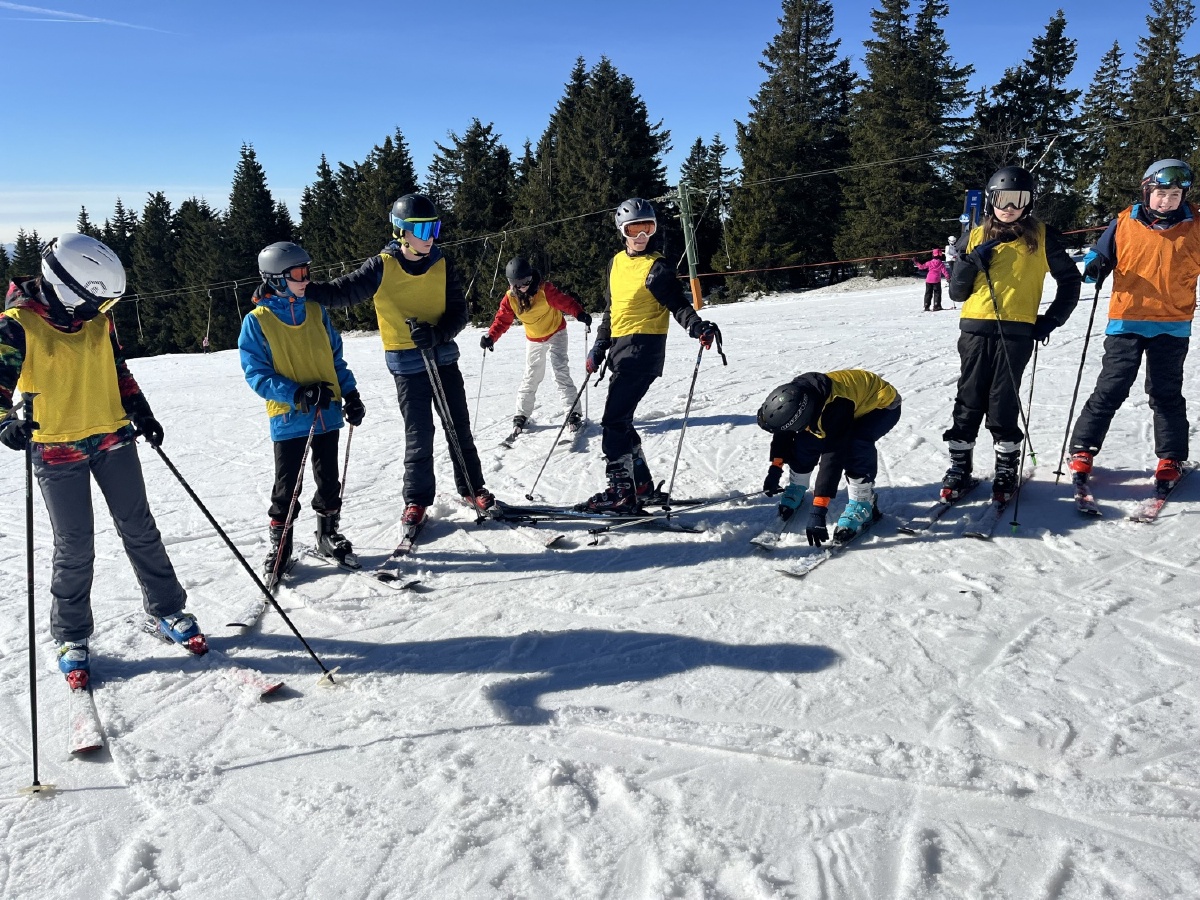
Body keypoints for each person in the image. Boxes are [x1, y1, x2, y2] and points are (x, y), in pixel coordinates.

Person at [0, 233, 206, 689]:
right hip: (57, 449)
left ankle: (167, 610)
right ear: (68, 287)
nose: (101, 309)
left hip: (113, 436)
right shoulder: (16, 325)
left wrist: (142, 411)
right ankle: (71, 635)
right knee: (74, 546)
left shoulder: (97, 320)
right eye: (97, 300)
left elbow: (118, 369)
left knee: (140, 528)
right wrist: (5, 422)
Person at [304, 193, 492, 529]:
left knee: (458, 427)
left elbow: (459, 312)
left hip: (442, 357)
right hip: (407, 365)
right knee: (419, 434)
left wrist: (437, 334)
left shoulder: (442, 263)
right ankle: (416, 499)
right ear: (401, 232)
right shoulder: (382, 266)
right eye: (422, 229)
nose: (430, 237)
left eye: (434, 228)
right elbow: (342, 292)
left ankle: (473, 488)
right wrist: (301, 287)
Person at [944, 166, 1081, 502]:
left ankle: (1006, 466)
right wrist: (969, 263)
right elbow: (956, 293)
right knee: (969, 397)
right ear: (991, 200)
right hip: (975, 328)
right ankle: (959, 466)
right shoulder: (974, 235)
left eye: (1018, 199)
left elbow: (1070, 281)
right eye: (1003, 199)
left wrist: (1052, 319)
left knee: (1003, 399)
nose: (1009, 207)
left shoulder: (1043, 236)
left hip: (1017, 332)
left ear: (1029, 202)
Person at [1067, 158, 1200, 493]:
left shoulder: (1196, 224)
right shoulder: (1124, 222)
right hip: (1127, 321)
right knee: (1111, 387)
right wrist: (1095, 266)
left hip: (1172, 323)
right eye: (1161, 194)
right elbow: (1095, 258)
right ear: (1147, 191)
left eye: (1175, 195)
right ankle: (1083, 448)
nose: (1167, 201)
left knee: (1166, 393)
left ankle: (1170, 457)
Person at [238, 242, 365, 583]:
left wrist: (350, 394)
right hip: (289, 418)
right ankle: (281, 546)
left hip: (327, 412)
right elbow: (256, 373)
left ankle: (327, 534)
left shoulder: (315, 311)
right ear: (275, 278)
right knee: (287, 486)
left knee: (329, 480)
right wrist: (297, 393)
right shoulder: (257, 321)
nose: (305, 279)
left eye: (307, 271)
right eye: (297, 273)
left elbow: (335, 358)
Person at [582, 198, 718, 512]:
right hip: (620, 349)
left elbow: (678, 303)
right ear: (623, 231)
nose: (642, 236)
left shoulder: (657, 267)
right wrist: (599, 346)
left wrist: (696, 326)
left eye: (648, 228)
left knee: (614, 421)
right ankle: (639, 485)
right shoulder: (616, 263)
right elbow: (612, 310)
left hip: (644, 348)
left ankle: (621, 493)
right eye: (635, 229)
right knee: (621, 420)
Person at [758, 370, 902, 544]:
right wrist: (775, 470)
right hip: (845, 405)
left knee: (855, 444)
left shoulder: (835, 407)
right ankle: (797, 486)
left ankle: (864, 503)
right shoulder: (793, 397)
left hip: (881, 405)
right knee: (806, 441)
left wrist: (819, 509)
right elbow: (783, 432)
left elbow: (832, 459)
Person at [482, 256, 591, 438]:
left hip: (556, 332)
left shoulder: (544, 290)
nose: (521, 287)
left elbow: (565, 301)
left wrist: (579, 313)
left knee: (560, 371)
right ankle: (522, 414)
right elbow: (502, 320)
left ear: (531, 277)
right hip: (534, 338)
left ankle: (573, 413)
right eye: (515, 284)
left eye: (525, 282)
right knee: (531, 375)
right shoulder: (510, 298)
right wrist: (491, 337)